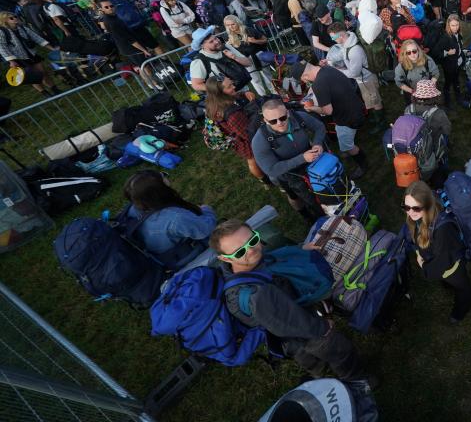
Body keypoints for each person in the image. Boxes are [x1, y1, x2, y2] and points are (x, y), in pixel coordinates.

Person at [213, 219, 370, 384]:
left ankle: (317, 372)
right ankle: (357, 380)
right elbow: (286, 322)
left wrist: (300, 250)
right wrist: (322, 328)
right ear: (224, 259)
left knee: (303, 355)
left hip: (287, 327)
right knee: (340, 350)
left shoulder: (245, 265)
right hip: (298, 329)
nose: (251, 251)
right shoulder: (255, 295)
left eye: (252, 241)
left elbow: (274, 258)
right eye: (239, 252)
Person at [401, 181, 471, 323]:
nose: (410, 212)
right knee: (447, 280)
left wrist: (424, 266)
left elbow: (442, 262)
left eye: (416, 208)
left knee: (463, 288)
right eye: (406, 207)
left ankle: (461, 310)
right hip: (438, 258)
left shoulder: (443, 230)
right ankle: (447, 284)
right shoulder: (418, 216)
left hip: (453, 267)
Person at [287, 62, 369, 180]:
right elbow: (319, 86)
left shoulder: (319, 85)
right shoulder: (327, 69)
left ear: (305, 76)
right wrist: (310, 93)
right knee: (341, 135)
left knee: (347, 145)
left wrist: (311, 108)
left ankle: (362, 164)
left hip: (347, 118)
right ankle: (345, 148)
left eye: (303, 80)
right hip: (356, 106)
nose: (304, 82)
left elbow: (328, 111)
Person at [251, 97, 329, 219]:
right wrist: (302, 158)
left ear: (287, 112)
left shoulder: (298, 117)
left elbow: (319, 127)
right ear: (265, 120)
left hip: (312, 162)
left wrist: (318, 142)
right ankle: (308, 216)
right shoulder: (259, 141)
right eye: (273, 121)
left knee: (327, 188)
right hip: (289, 175)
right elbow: (272, 170)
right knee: (303, 199)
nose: (279, 123)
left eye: (282, 118)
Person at [122, 170, 217, 270]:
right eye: (162, 176)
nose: (165, 176)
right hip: (184, 259)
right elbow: (206, 229)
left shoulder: (134, 209)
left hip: (159, 258)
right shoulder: (176, 218)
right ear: (159, 190)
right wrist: (206, 209)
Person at [204, 75, 268, 187]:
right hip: (244, 141)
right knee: (252, 160)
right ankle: (265, 180)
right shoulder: (233, 114)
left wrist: (243, 94)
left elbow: (234, 95)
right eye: (229, 86)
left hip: (233, 135)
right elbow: (248, 134)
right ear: (220, 93)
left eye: (232, 83)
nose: (234, 86)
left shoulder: (213, 101)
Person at [325, 21, 384, 130]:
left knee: (375, 101)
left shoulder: (354, 51)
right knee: (370, 99)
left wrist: (337, 70)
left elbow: (354, 73)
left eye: (333, 38)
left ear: (341, 35)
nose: (333, 41)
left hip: (367, 79)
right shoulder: (347, 43)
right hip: (362, 79)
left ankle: (381, 123)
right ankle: (376, 117)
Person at [97, 0, 164, 89]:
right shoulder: (112, 22)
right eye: (106, 7)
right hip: (130, 48)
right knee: (144, 67)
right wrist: (144, 50)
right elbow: (129, 40)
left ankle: (151, 84)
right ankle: (153, 85)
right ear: (102, 9)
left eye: (111, 6)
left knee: (143, 66)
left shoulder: (111, 17)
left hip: (128, 46)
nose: (110, 8)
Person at [0, 11, 60, 96]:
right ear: (5, 20)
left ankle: (55, 90)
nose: (15, 18)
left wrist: (52, 48)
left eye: (15, 16)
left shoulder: (22, 27)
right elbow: (2, 47)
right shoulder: (2, 32)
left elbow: (36, 38)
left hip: (31, 54)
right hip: (19, 58)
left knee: (43, 72)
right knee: (32, 77)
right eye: (11, 18)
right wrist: (11, 61)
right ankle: (45, 93)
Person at [188, 26, 253, 93]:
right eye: (211, 42)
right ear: (202, 46)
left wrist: (235, 57)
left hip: (245, 89)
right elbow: (196, 85)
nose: (216, 41)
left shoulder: (226, 47)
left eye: (215, 38)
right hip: (226, 98)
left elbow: (249, 63)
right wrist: (220, 88)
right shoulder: (199, 61)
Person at [223, 15, 276, 96]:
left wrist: (254, 41)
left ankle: (275, 92)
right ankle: (263, 97)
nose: (231, 27)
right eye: (228, 25)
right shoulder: (228, 36)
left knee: (267, 74)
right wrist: (229, 46)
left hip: (258, 55)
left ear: (237, 22)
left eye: (233, 24)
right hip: (245, 59)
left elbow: (265, 39)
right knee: (255, 79)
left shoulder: (248, 30)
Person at [432, 14, 470, 109]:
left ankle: (458, 99)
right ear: (448, 25)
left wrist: (462, 54)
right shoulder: (445, 37)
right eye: (453, 25)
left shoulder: (458, 34)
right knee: (448, 83)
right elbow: (436, 52)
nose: (455, 27)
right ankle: (447, 103)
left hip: (457, 64)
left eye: (457, 25)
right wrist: (447, 53)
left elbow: (459, 47)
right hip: (449, 66)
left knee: (456, 82)